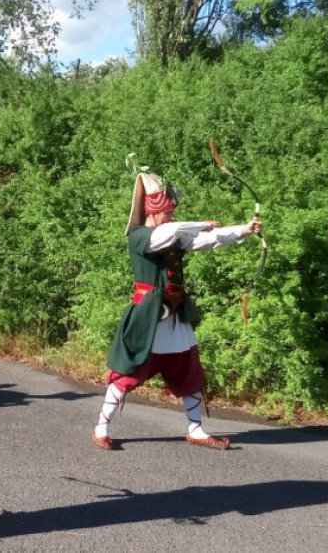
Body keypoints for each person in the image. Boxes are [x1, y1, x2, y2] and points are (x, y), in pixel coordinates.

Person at [91, 163, 262, 451]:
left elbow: (208, 240)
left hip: (175, 318)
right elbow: (173, 232)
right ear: (152, 212)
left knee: (190, 373)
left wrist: (243, 230)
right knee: (128, 375)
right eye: (168, 212)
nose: (172, 217)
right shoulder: (140, 237)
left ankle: (195, 430)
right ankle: (101, 428)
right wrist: (201, 223)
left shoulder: (172, 234)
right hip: (148, 318)